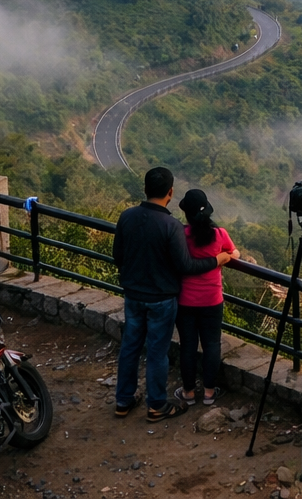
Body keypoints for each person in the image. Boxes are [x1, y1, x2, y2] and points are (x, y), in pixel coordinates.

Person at [112, 167, 235, 420]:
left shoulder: (126, 217)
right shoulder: (171, 226)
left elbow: (118, 256)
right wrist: (217, 260)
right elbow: (186, 266)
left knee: (130, 347)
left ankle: (123, 400)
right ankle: (156, 405)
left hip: (133, 295)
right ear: (170, 192)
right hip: (162, 299)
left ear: (145, 189)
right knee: (157, 351)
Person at [173, 188, 237, 406]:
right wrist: (225, 257)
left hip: (185, 301)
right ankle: (209, 393)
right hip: (212, 299)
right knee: (211, 344)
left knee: (188, 345)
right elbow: (233, 253)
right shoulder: (219, 234)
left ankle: (188, 393)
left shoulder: (181, 235)